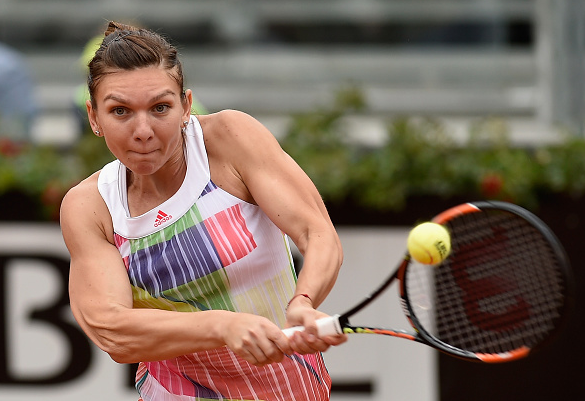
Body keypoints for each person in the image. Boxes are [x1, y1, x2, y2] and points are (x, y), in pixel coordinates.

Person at [60, 21, 346, 401]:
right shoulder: (89, 206)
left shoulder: (230, 139)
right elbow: (112, 331)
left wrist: (304, 301)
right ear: (94, 118)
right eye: (121, 111)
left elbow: (318, 233)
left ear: (186, 106)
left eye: (160, 107)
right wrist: (220, 327)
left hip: (290, 389)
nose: (143, 129)